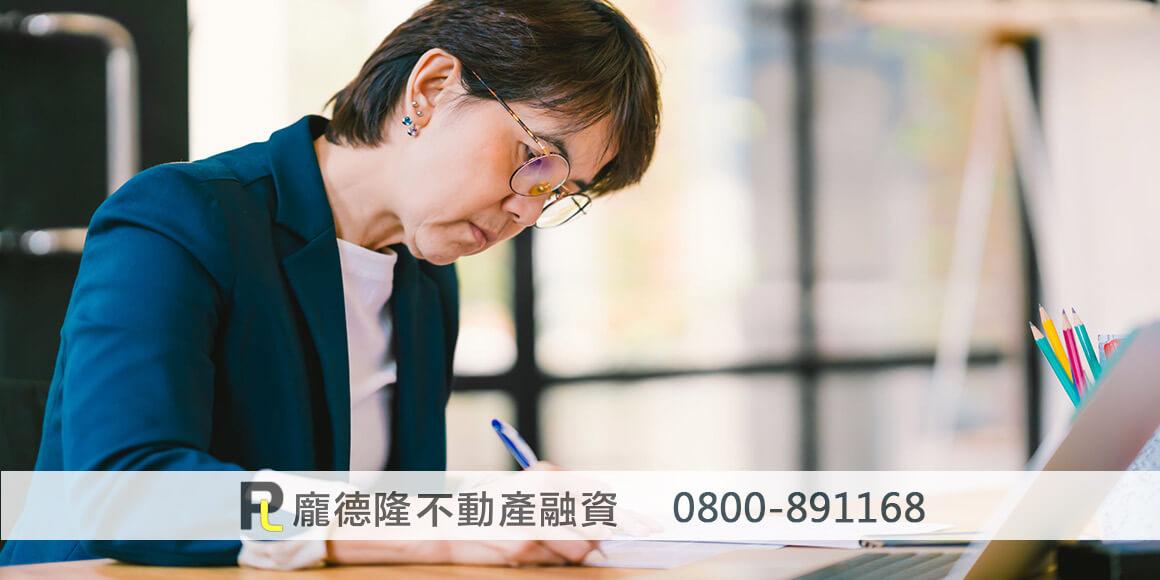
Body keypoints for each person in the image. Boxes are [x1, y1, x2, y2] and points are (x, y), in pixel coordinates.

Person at [0, 0, 660, 569]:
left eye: (559, 194)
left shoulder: (426, 280)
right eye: (537, 162)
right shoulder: (180, 216)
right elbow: (126, 496)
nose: (528, 211)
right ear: (430, 89)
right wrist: (437, 532)